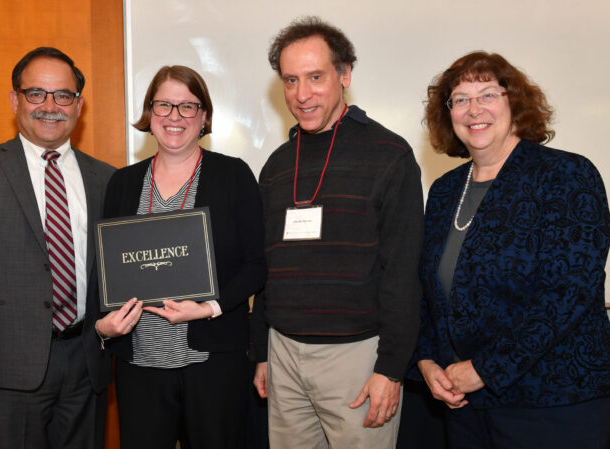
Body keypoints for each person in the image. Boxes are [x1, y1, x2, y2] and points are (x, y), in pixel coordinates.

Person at [411, 51, 610, 449]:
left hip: (554, 402)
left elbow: (570, 292)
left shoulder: (566, 174)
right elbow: (431, 290)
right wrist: (427, 359)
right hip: (465, 404)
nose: (473, 109)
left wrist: (487, 368)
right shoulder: (445, 190)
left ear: (514, 102)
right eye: (460, 99)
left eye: (487, 94)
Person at [250, 16, 424, 449]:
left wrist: (391, 369)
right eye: (290, 80)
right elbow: (266, 269)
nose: (301, 94)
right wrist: (262, 353)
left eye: (315, 77)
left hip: (358, 359)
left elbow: (403, 273)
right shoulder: (275, 166)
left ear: (344, 75)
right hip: (284, 353)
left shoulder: (390, 156)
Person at [0, 47, 115, 449]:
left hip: (88, 361)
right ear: (15, 100)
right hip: (8, 362)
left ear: (79, 105)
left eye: (63, 95)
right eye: (36, 94)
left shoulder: (106, 179)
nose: (50, 106)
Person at [94, 65, 267, 449]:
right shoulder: (122, 183)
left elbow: (257, 264)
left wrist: (208, 308)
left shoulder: (233, 176)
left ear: (203, 116)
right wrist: (104, 325)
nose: (174, 117)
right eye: (164, 105)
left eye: (187, 107)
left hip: (212, 361)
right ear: (149, 113)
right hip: (139, 363)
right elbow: (106, 269)